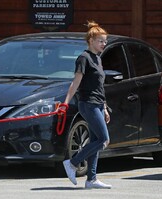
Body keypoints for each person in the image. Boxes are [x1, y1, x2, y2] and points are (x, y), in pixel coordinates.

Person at [62, 21, 112, 189]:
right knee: (104, 139)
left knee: (96, 139)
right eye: (101, 41)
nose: (104, 44)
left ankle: (91, 179)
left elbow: (99, 86)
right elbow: (75, 83)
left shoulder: (97, 58)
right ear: (91, 40)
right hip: (88, 104)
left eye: (105, 41)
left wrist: (104, 107)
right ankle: (73, 162)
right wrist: (66, 102)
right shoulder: (84, 58)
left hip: (98, 104)